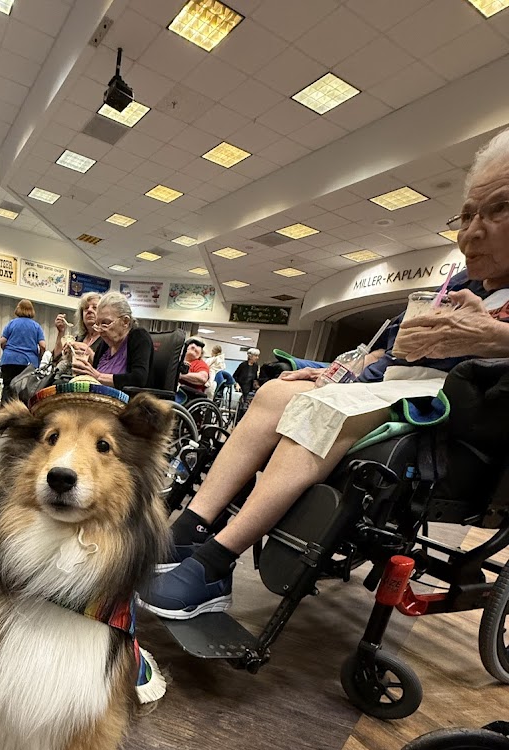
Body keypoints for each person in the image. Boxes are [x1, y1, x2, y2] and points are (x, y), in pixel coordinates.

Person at [140, 127, 509, 620]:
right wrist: (327, 371)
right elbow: (383, 351)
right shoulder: (457, 284)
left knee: (324, 411)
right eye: (466, 215)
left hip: (453, 414)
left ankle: (213, 564)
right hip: (390, 388)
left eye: (499, 208)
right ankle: (189, 529)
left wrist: (490, 338)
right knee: (274, 391)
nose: (471, 233)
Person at [70, 291, 154, 391]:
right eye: (98, 324)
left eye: (105, 323)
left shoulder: (139, 337)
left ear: (125, 321)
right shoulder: (104, 344)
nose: (100, 330)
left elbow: (138, 378)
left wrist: (98, 377)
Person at [0, 298, 46, 399]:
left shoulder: (11, 323)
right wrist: (39, 357)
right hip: (28, 363)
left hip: (9, 361)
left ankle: (5, 412)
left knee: (7, 388)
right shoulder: (36, 326)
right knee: (24, 391)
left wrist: (7, 351)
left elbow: (2, 341)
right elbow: (43, 345)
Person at [51, 291, 102, 363]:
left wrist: (89, 352)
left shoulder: (106, 341)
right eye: (86, 308)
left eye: (94, 307)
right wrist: (61, 332)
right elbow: (56, 358)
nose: (89, 310)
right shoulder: (79, 338)